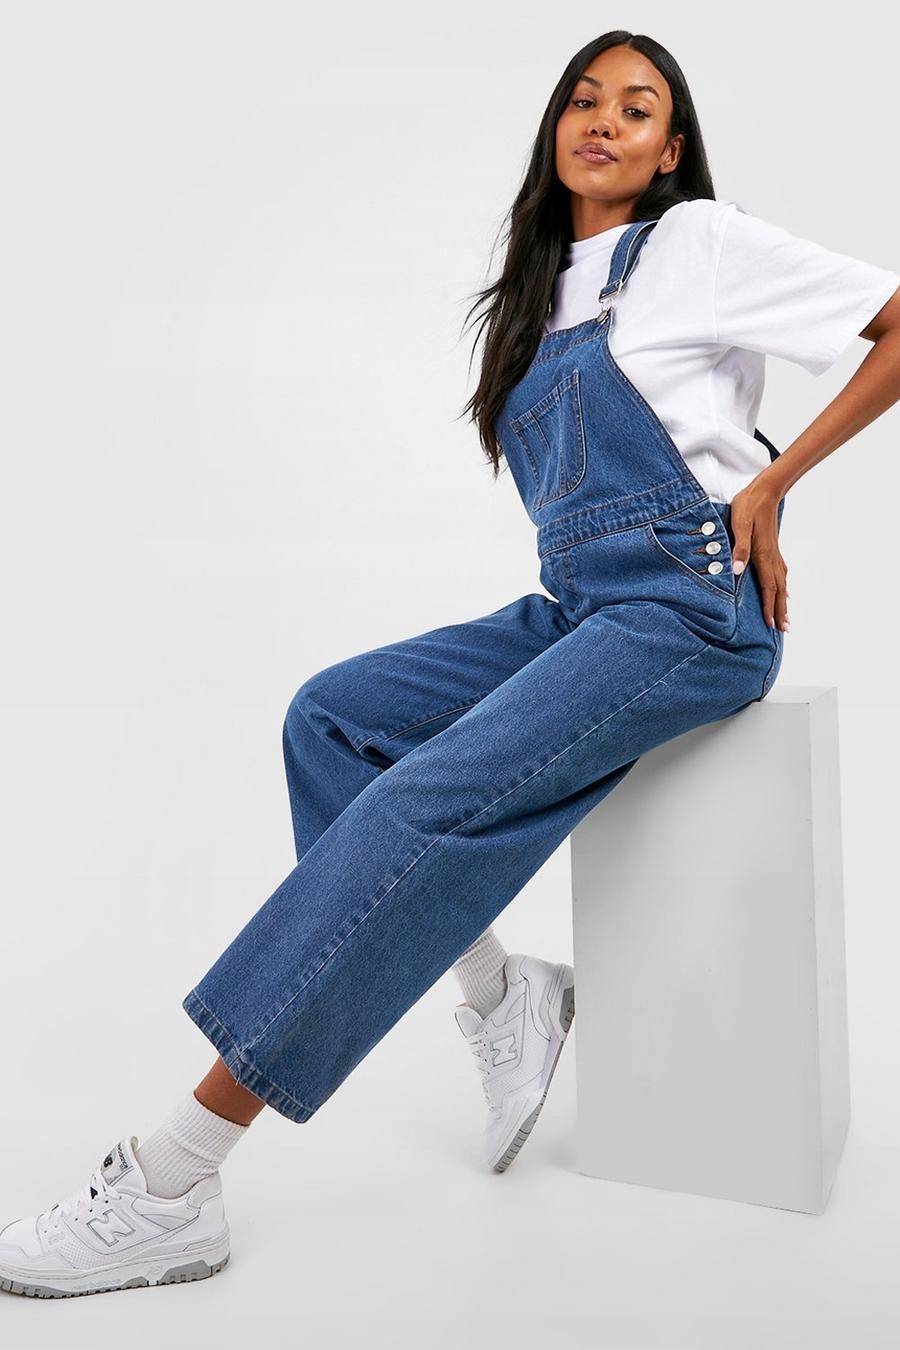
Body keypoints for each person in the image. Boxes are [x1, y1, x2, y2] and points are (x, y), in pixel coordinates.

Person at [3, 30, 899, 1300]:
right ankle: (501, 996)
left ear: (671, 149)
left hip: (693, 613)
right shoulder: (537, 297)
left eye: (637, 107)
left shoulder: (698, 243)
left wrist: (772, 481)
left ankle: (173, 1180)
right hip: (584, 607)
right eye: (583, 99)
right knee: (334, 720)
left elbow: (893, 323)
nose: (603, 120)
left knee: (418, 803)